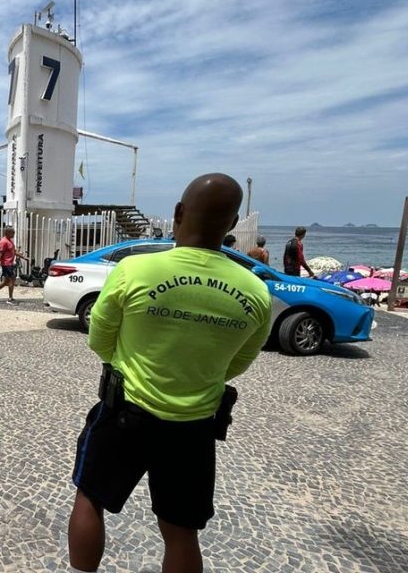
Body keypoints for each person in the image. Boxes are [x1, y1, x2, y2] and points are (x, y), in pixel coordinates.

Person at [67, 173, 272, 573]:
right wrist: (198, 374)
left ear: (178, 213)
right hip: (194, 427)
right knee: (180, 531)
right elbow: (239, 361)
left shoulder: (134, 271)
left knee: (89, 498)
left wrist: (134, 361)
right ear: (231, 226)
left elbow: (100, 340)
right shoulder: (255, 292)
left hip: (125, 412)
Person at [0, 226, 29, 305]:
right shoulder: (4, 242)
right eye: (12, 232)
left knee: (5, 281)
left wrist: (24, 257)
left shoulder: (10, 241)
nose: (14, 234)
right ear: (7, 233)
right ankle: (10, 299)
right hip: (6, 264)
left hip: (10, 264)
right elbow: (1, 255)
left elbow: (14, 252)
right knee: (12, 280)